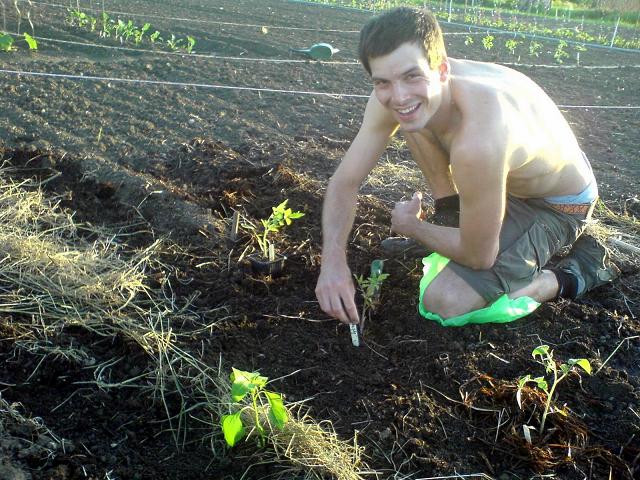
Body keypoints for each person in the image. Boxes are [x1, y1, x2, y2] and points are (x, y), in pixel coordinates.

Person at [314, 7, 618, 326]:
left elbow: (479, 256)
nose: (399, 95)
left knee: (445, 301)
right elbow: (344, 181)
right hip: (511, 174)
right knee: (412, 116)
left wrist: (413, 227)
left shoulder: (478, 141)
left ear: (442, 69)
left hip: (556, 204)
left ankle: (574, 273)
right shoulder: (407, 96)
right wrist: (332, 262)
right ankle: (451, 216)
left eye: (411, 76)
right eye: (382, 82)